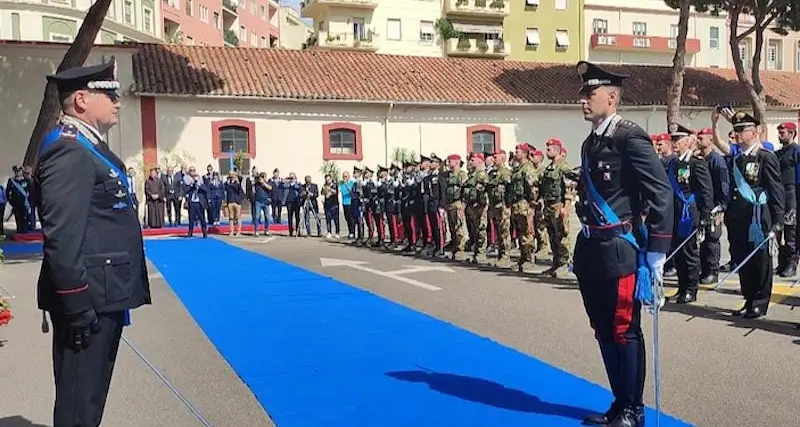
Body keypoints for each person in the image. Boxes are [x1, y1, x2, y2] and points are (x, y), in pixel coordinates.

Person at [34, 57, 152, 427]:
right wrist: (76, 303)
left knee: (89, 396)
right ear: (82, 100)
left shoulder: (88, 145)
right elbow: (63, 236)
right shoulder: (69, 149)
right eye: (110, 94)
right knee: (78, 402)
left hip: (103, 291)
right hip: (88, 297)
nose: (118, 101)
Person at [572, 61, 673, 427]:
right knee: (601, 327)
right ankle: (618, 403)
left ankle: (634, 409)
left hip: (620, 249)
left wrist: (657, 251)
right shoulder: (590, 142)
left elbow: (660, 191)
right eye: (583, 94)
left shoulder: (629, 136)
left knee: (622, 329)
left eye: (590, 93)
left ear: (611, 98)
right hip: (591, 250)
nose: (583, 100)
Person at [726, 112, 784, 318]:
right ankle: (748, 298)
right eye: (736, 130)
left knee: (760, 260)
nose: (738, 134)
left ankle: (760, 301)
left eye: (742, 130)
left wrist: (778, 221)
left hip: (759, 217)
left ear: (755, 132)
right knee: (742, 257)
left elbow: (776, 190)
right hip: (739, 217)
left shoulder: (765, 157)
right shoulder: (737, 158)